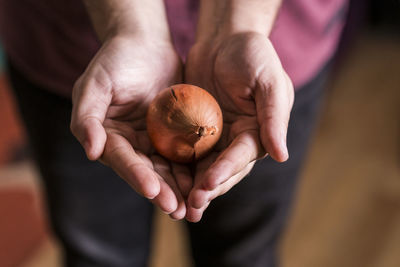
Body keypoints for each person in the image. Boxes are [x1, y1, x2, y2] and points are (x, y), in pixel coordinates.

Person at [0, 0, 348, 266]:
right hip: (77, 51)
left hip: (268, 53)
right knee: (97, 254)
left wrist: (239, 27)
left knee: (245, 253)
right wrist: (132, 28)